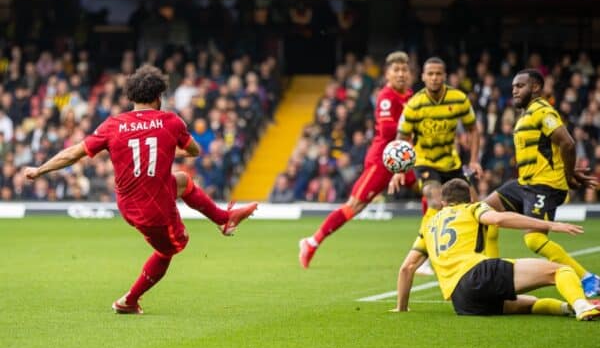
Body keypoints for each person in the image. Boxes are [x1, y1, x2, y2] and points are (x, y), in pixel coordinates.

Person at [24, 65, 258, 314]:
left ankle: (224, 219)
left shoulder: (113, 124)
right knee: (173, 246)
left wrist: (39, 170)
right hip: (153, 209)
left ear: (131, 96)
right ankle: (128, 301)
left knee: (181, 181)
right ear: (159, 97)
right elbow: (195, 151)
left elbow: (72, 154)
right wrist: (168, 147)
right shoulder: (171, 121)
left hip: (129, 204)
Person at [393, 179, 600, 321]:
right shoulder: (472, 208)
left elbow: (407, 268)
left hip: (462, 300)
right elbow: (499, 219)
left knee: (527, 304)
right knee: (561, 271)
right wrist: (549, 225)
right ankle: (582, 306)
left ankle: (569, 307)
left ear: (444, 203)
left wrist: (402, 307)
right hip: (478, 273)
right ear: (470, 198)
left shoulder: (428, 226)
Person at [483, 69, 600, 298]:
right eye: (514, 86)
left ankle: (587, 278)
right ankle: (493, 274)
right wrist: (568, 169)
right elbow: (551, 150)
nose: (514, 90)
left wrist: (567, 176)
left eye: (520, 86)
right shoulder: (525, 115)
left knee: (534, 239)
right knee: (484, 212)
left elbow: (566, 143)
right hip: (525, 183)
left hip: (545, 186)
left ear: (535, 87)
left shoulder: (543, 111)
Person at [298, 51, 416, 268]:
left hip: (406, 159)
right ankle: (312, 241)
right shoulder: (386, 97)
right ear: (387, 74)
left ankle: (427, 253)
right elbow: (390, 128)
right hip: (382, 161)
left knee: (431, 190)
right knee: (355, 205)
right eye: (396, 70)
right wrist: (413, 118)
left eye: (404, 70)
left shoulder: (410, 95)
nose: (401, 74)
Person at [388, 56, 483, 274]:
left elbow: (473, 129)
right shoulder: (415, 104)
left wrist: (474, 159)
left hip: (451, 163)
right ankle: (427, 255)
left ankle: (477, 254)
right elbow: (401, 137)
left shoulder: (458, 99)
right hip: (424, 162)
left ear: (445, 76)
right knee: (435, 198)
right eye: (430, 74)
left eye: (438, 73)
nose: (434, 78)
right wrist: (399, 170)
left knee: (476, 205)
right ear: (422, 76)